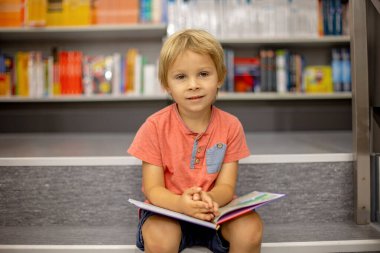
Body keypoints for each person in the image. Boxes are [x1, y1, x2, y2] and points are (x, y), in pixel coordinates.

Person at [128, 29, 263, 253]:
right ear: (166, 85)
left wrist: (206, 201)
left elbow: (227, 187)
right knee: (160, 237)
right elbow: (153, 189)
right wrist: (182, 205)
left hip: (215, 209)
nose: (193, 85)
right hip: (168, 210)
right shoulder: (154, 127)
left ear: (219, 77)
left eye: (203, 74)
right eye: (181, 77)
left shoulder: (231, 126)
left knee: (250, 228)